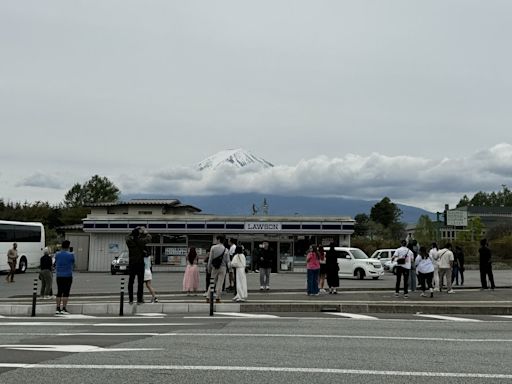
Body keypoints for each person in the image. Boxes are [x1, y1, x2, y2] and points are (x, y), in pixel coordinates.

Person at [126, 226, 152, 304]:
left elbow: (127, 236)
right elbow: (149, 238)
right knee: (140, 282)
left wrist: (135, 230)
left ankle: (131, 299)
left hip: (132, 263)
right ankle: (139, 299)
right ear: (139, 234)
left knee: (131, 281)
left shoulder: (129, 241)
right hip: (140, 263)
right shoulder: (141, 241)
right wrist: (145, 232)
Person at [207, 235, 230, 303]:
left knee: (212, 282)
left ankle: (208, 297)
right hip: (223, 268)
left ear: (219, 240)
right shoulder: (226, 250)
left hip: (215, 267)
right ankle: (218, 298)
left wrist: (209, 268)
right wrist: (230, 270)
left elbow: (210, 259)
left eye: (217, 240)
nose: (216, 241)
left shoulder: (213, 248)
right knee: (220, 283)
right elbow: (228, 261)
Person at [54, 240, 75, 315]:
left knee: (59, 291)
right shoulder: (71, 255)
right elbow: (73, 263)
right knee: (66, 292)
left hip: (59, 275)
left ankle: (57, 308)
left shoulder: (57, 254)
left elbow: (55, 262)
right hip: (68, 275)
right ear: (68, 246)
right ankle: (64, 308)